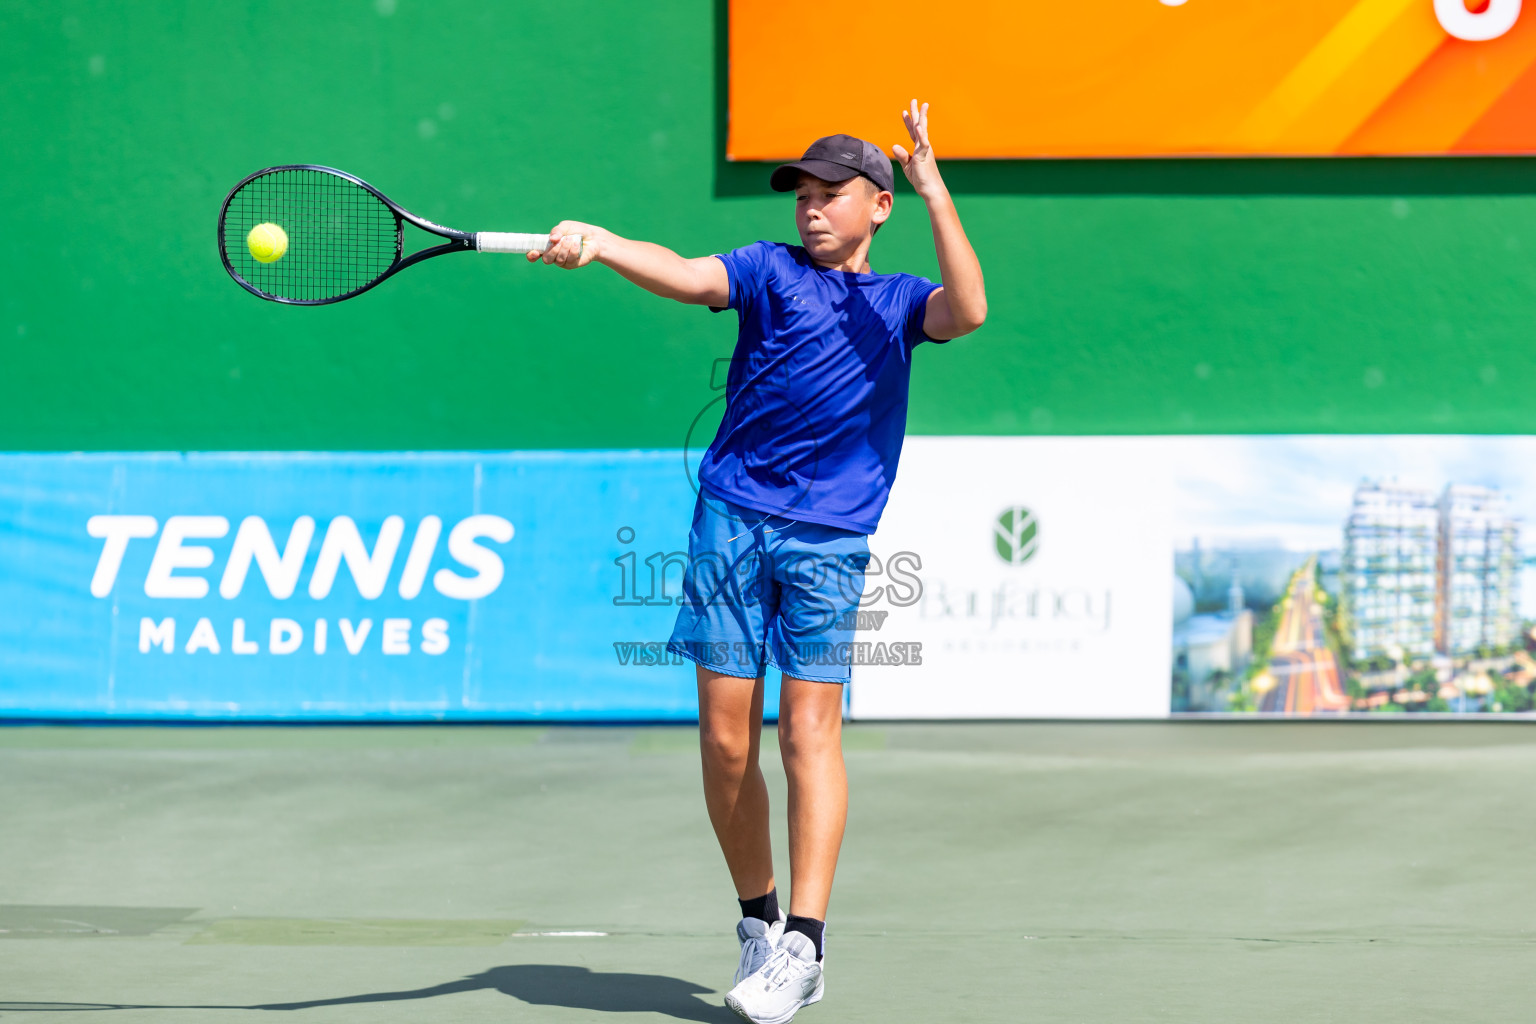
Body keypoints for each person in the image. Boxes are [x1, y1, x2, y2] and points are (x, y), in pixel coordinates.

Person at [531, 100, 986, 1024]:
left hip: (829, 539)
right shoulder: (767, 271)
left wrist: (937, 190)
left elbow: (969, 310)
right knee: (727, 738)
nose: (810, 209)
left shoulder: (900, 301)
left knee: (807, 734)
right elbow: (689, 275)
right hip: (731, 520)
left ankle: (807, 947)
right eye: (802, 195)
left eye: (831, 194)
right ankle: (759, 920)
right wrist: (606, 241)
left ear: (878, 206)